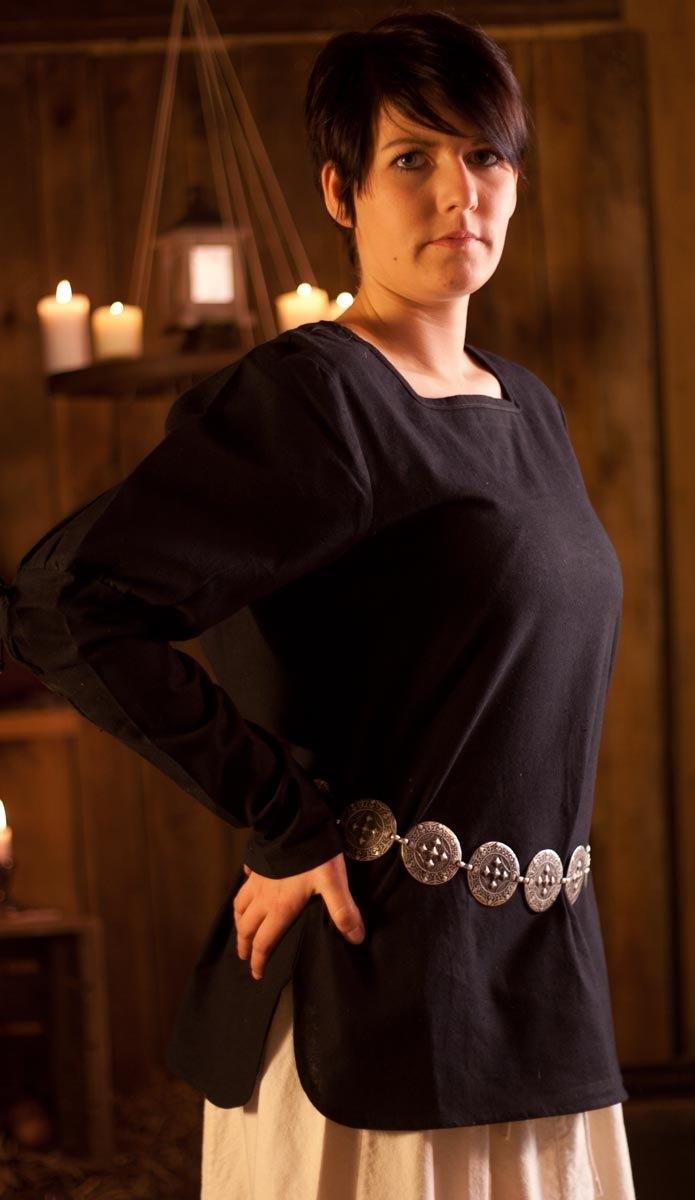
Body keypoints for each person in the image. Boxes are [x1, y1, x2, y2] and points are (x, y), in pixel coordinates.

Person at [0, 8, 638, 1199]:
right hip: (370, 1002)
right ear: (341, 193)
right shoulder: (319, 400)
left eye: (485, 155)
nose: (460, 191)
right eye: (412, 158)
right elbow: (63, 601)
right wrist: (286, 822)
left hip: (541, 1002)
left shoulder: (527, 407)